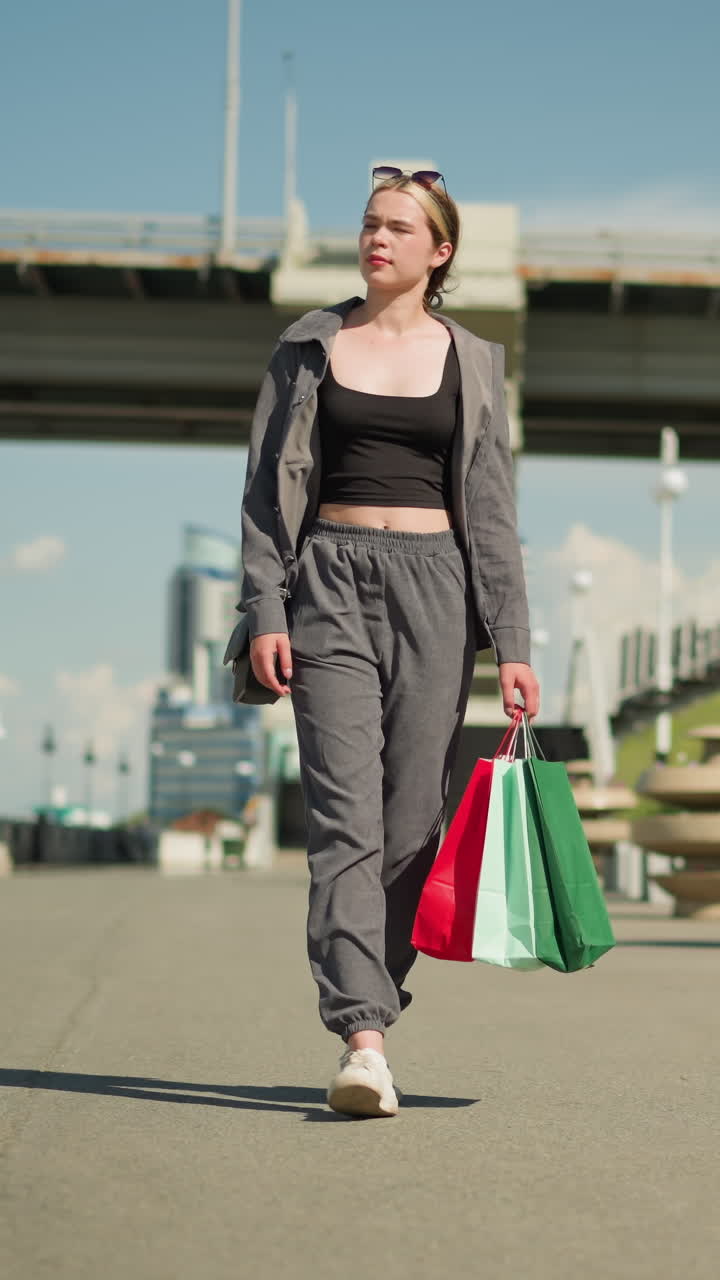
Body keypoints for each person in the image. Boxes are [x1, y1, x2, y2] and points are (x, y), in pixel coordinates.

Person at [238, 166, 540, 1118]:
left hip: (437, 590)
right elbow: (262, 490)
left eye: (400, 228)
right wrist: (266, 610)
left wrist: (517, 642)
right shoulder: (310, 345)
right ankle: (362, 1034)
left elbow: (491, 514)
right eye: (370, 224)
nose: (378, 239)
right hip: (327, 579)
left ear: (438, 251)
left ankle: (374, 986)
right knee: (341, 816)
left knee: (411, 824)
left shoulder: (474, 360)